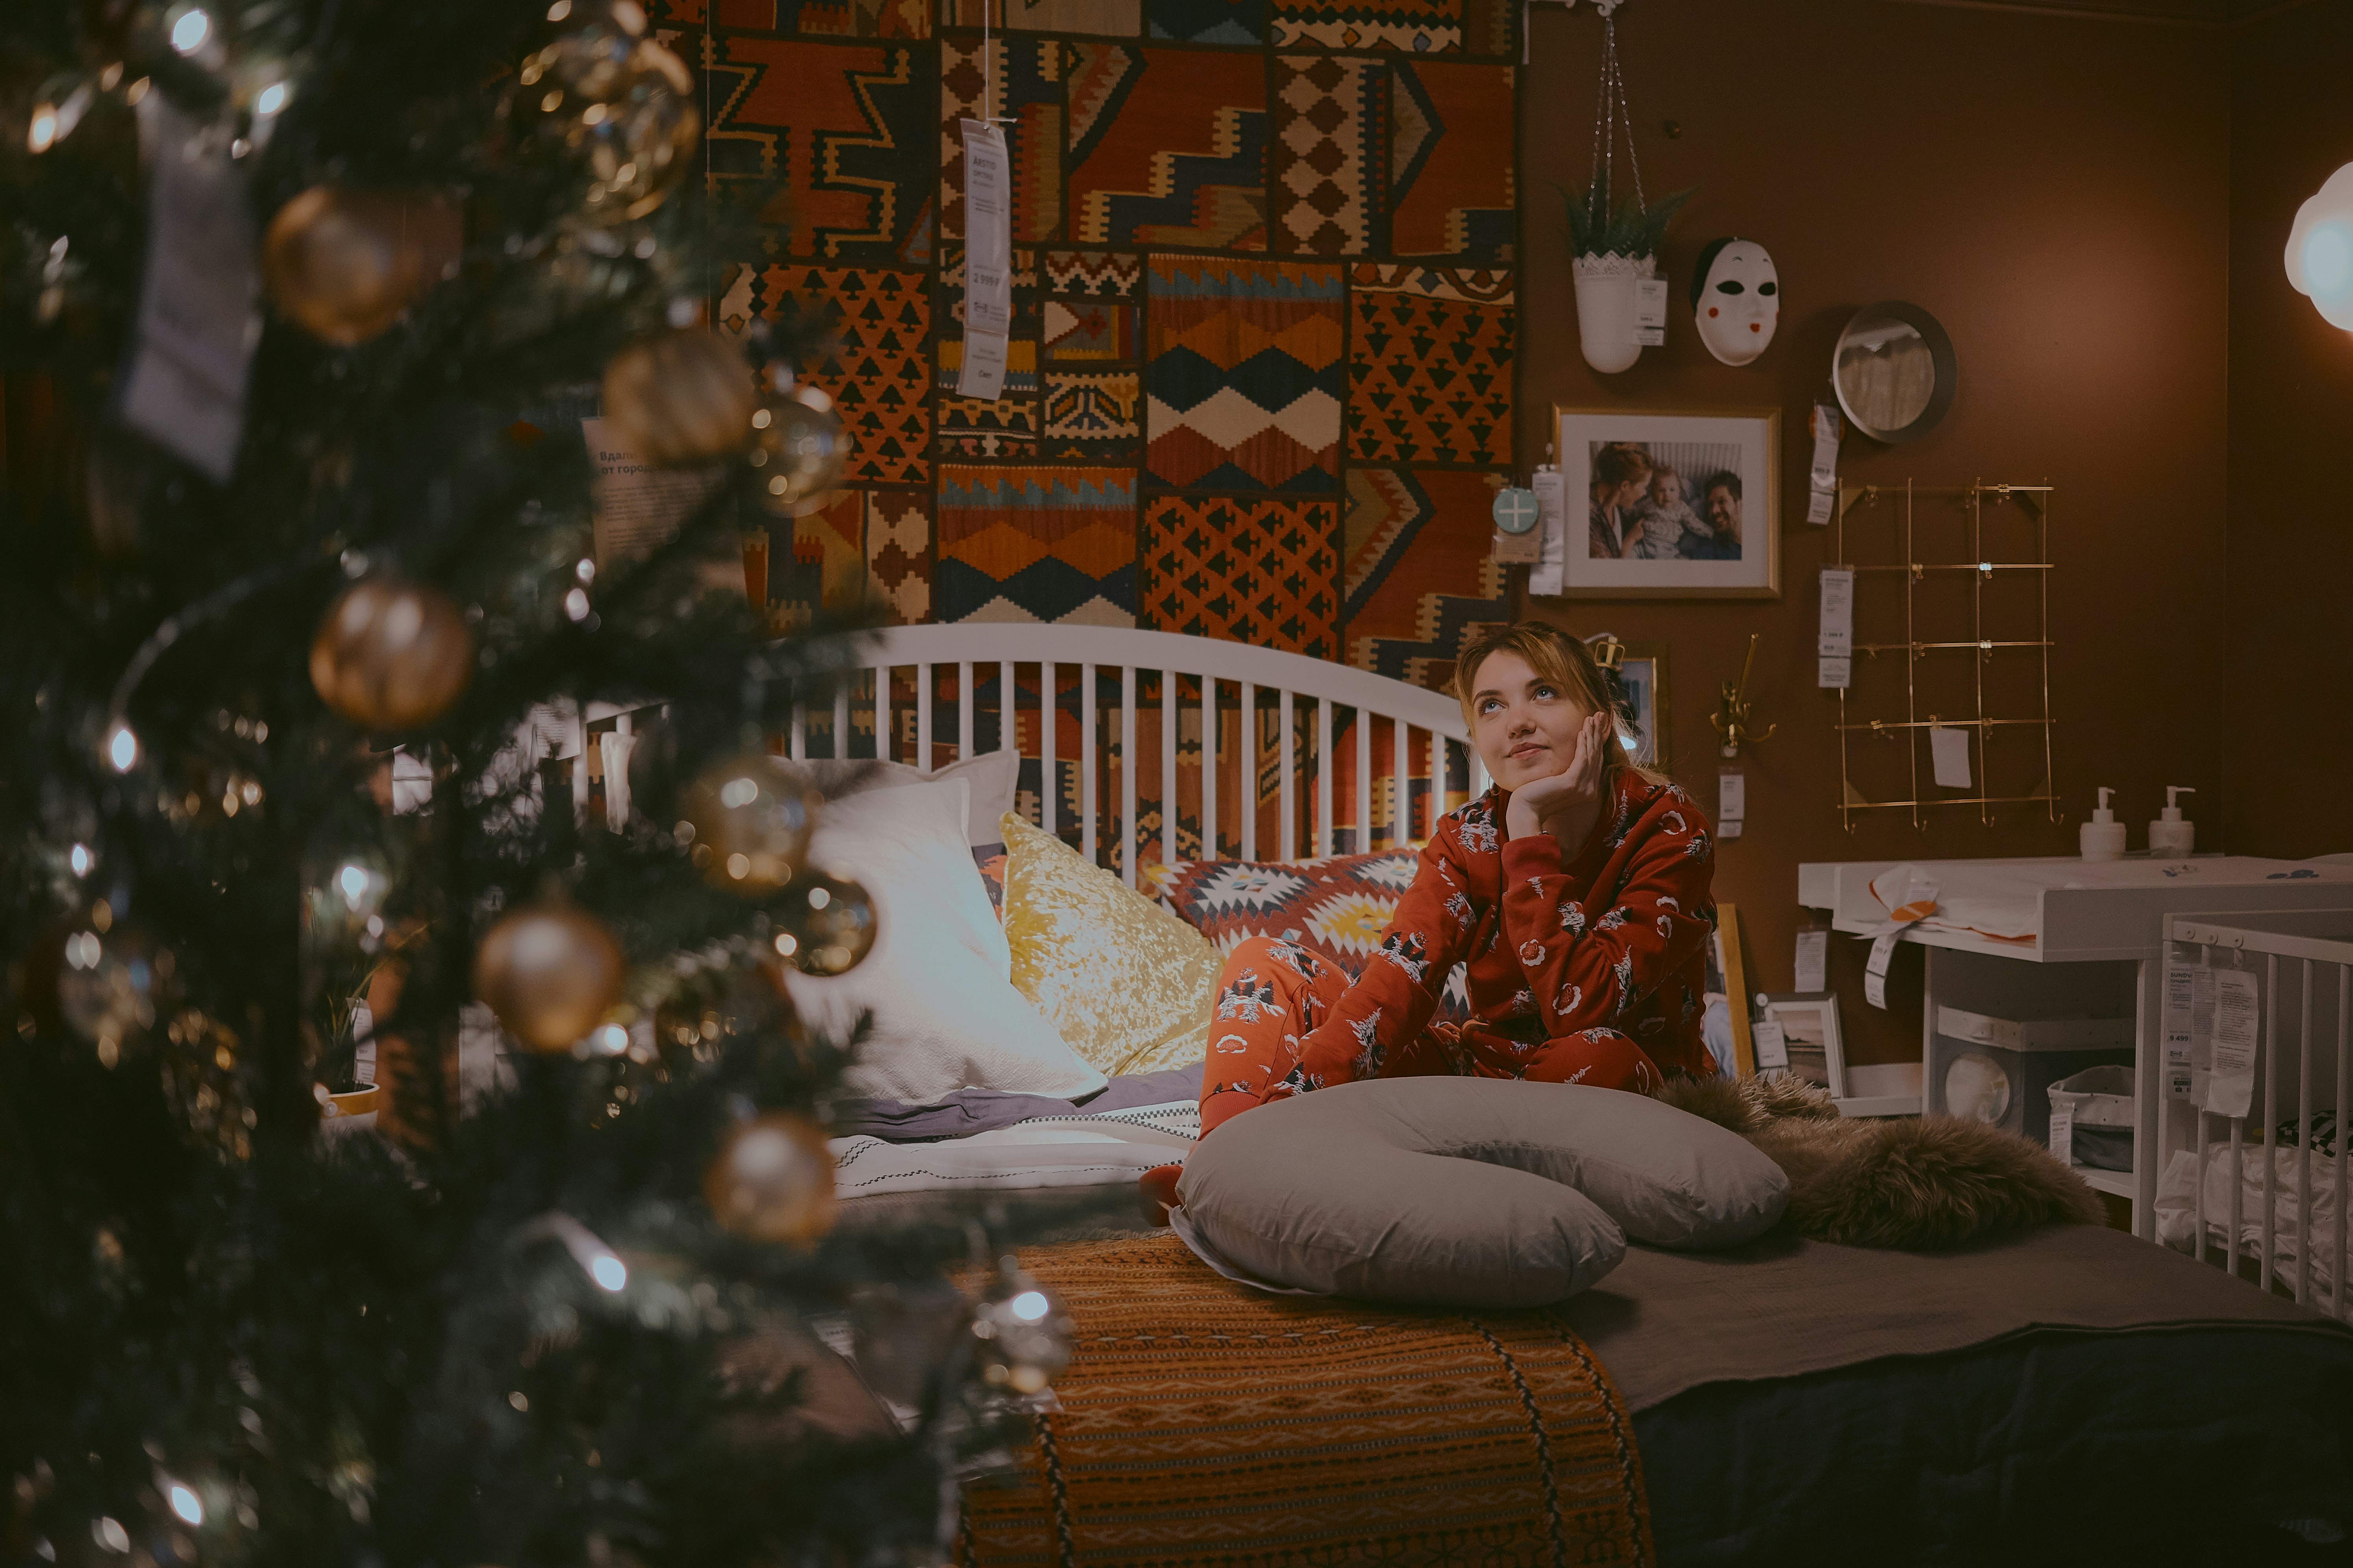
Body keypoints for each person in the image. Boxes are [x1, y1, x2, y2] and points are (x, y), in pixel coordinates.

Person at [1164, 621, 1719, 1189]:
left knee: (1599, 1054)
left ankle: (1411, 1167)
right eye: (1491, 707)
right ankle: (1220, 1167)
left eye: (1544, 693)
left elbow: (1582, 1007)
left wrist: (1528, 835)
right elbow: (1398, 984)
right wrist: (1284, 1107)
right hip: (1479, 1081)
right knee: (1264, 963)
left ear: (1598, 717)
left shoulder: (1669, 830)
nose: (1518, 721)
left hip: (1617, 1076)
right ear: (1479, 737)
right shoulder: (1468, 838)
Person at [1587, 442, 1652, 560]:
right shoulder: (1589, 519)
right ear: (1625, 486)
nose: (1645, 493)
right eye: (1644, 487)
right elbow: (1611, 573)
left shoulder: (1614, 501)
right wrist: (1630, 540)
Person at [1630, 464, 1702, 560]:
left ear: (1679, 492)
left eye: (1672, 490)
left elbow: (1694, 523)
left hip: (1668, 550)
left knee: (1684, 562)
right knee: (1630, 553)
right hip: (1644, 546)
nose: (1667, 495)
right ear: (1653, 492)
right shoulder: (1649, 502)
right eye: (1661, 491)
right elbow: (1633, 511)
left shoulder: (1681, 507)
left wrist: (1710, 532)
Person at [1678, 471, 1744, 560]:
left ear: (1740, 505)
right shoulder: (1707, 550)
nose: (1714, 511)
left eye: (1722, 502)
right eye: (1710, 505)